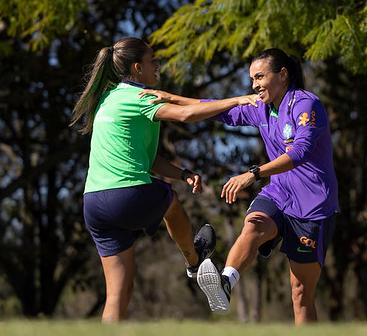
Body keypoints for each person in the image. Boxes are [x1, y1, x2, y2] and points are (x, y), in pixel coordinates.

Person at [140, 48, 339, 326]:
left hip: (313, 204)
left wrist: (253, 173)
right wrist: (171, 97)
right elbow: (216, 109)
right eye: (251, 79)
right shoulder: (261, 107)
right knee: (253, 224)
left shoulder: (306, 104)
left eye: (260, 76)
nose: (254, 85)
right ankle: (224, 283)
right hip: (280, 192)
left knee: (301, 293)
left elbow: (301, 151)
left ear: (282, 75)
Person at [71, 37, 257, 322]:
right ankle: (194, 262)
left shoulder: (107, 99)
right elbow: (186, 114)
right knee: (168, 201)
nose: (157, 66)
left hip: (93, 204)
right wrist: (237, 100)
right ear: (137, 68)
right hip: (125, 195)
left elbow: (149, 161)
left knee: (118, 293)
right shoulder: (141, 98)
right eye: (152, 61)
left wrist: (183, 174)